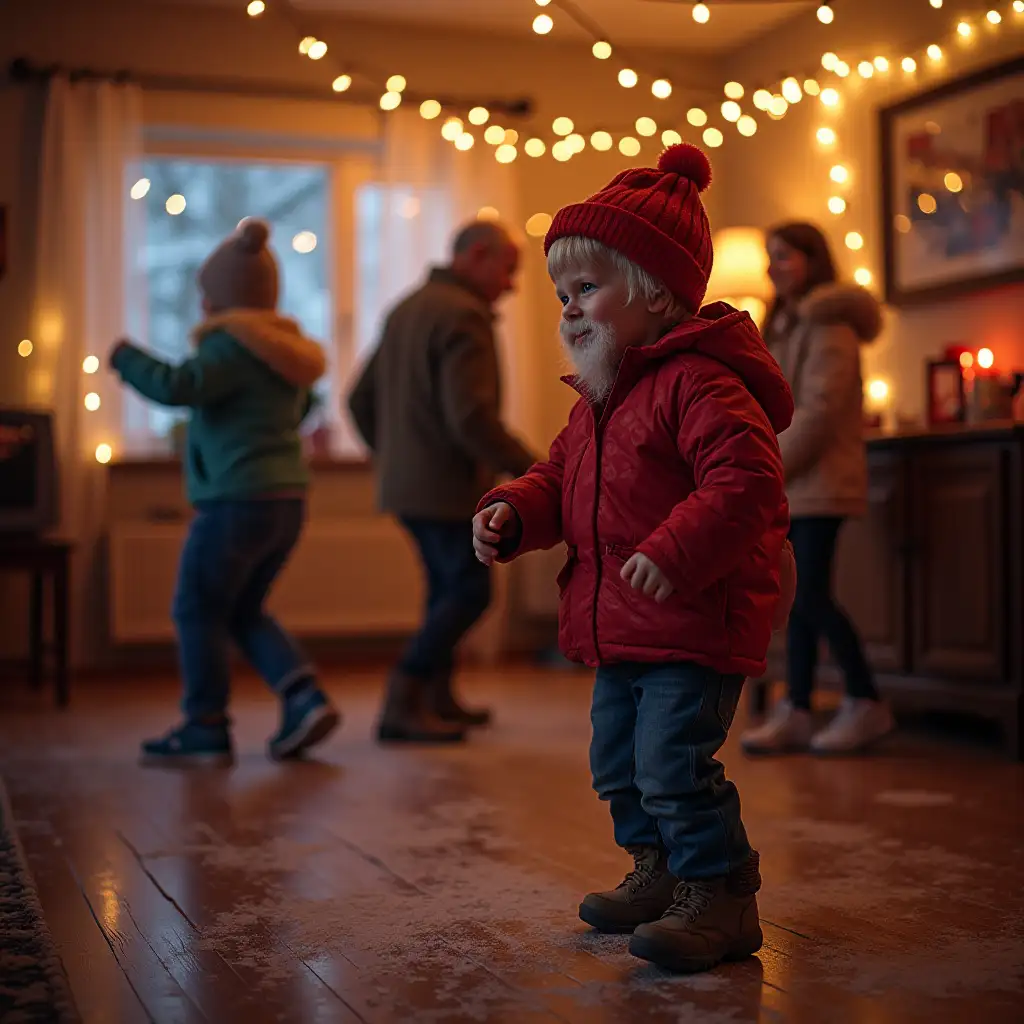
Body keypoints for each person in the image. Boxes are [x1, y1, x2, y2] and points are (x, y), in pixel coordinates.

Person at [471, 144, 794, 974]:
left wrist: (676, 549)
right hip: (620, 623)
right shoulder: (600, 399)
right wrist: (514, 509)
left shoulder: (701, 384)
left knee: (673, 764)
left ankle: (720, 894)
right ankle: (657, 874)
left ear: (656, 291)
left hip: (692, 616)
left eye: (588, 290)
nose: (570, 310)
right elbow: (560, 477)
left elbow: (747, 478)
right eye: (562, 295)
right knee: (618, 765)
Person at [110, 218, 340, 767]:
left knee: (195, 608)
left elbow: (178, 386)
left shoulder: (230, 347)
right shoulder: (286, 352)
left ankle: (204, 725)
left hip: (237, 500)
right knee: (240, 608)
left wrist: (126, 357)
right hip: (286, 500)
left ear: (218, 300)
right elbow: (305, 408)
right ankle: (303, 697)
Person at [348, 219, 537, 744]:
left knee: (443, 590)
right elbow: (471, 418)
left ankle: (437, 697)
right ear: (477, 256)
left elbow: (357, 399)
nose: (511, 285)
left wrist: (395, 457)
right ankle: (403, 697)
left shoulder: (406, 308)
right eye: (508, 270)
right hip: (447, 487)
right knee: (471, 591)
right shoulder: (464, 315)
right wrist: (536, 469)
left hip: (408, 487)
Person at [740, 222, 895, 756]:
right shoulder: (782, 322)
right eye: (769, 256)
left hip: (818, 481)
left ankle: (864, 699)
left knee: (809, 595)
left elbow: (820, 411)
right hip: (793, 483)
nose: (771, 267)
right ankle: (798, 707)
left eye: (782, 256)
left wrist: (767, 470)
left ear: (812, 259)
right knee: (798, 597)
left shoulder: (829, 324)